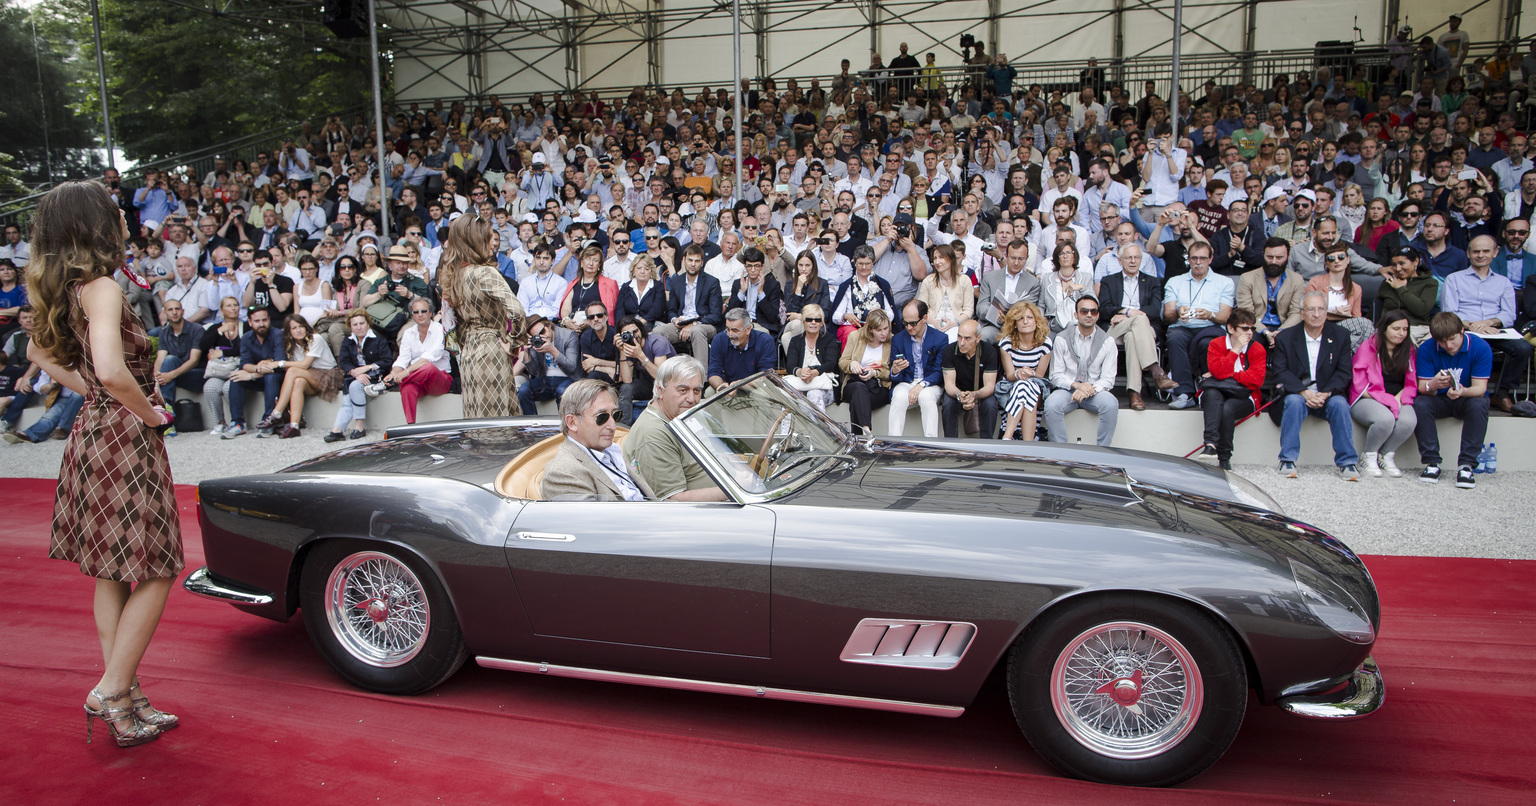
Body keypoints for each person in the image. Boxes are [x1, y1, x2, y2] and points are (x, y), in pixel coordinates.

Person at [23, 181, 180, 747]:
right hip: (123, 434)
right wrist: (151, 413)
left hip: (94, 430)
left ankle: (127, 696)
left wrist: (100, 395)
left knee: (113, 568)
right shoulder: (104, 288)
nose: (124, 219)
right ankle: (111, 690)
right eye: (116, 214)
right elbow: (113, 370)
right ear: (96, 225)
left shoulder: (67, 289)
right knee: (158, 567)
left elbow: (39, 354)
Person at [439, 215, 526, 418]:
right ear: (475, 241)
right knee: (498, 420)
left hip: (468, 353)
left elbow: (454, 324)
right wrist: (514, 345)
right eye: (488, 238)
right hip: (490, 348)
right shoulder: (485, 272)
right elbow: (517, 312)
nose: (493, 244)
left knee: (476, 417)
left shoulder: (453, 275)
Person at [1271, 291, 1359, 480]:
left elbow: (1344, 372)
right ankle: (1287, 460)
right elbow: (1280, 371)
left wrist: (1325, 393)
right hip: (1299, 394)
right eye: (1311, 309)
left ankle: (1348, 463)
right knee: (1293, 402)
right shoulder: (1285, 337)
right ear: (1301, 313)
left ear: (1327, 313)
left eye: (1321, 309)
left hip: (1327, 394)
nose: (1316, 314)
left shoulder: (1341, 335)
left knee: (1340, 404)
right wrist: (1304, 392)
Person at [1441, 234, 1529, 412]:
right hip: (1464, 331)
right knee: (1481, 348)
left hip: (1493, 330)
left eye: (1486, 251)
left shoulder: (1503, 282)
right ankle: (1468, 392)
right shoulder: (1454, 279)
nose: (1480, 255)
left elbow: (1508, 314)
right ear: (1468, 253)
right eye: (1476, 251)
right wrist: (1469, 324)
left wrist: (1489, 322)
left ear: (1495, 253)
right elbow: (1449, 312)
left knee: (1524, 348)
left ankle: (1502, 393)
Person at [622, 355, 727, 501]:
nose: (691, 399)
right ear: (660, 390)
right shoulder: (652, 433)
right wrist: (732, 490)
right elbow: (673, 500)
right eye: (683, 390)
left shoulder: (685, 414)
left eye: (697, 391)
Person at [1413, 312, 1492, 489]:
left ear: (1462, 330)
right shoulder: (1427, 348)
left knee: (1480, 403)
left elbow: (1480, 388)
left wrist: (1462, 391)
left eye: (1452, 339)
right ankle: (1432, 463)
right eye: (1442, 341)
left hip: (1467, 398)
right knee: (1420, 403)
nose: (1448, 345)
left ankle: (1467, 465)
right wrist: (1432, 384)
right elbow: (1422, 388)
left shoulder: (1480, 347)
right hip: (1439, 399)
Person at [541, 378, 655, 501]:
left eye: (615, 415)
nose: (613, 426)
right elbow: (593, 520)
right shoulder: (562, 474)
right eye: (602, 417)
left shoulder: (614, 451)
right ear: (572, 422)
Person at [1095, 242, 1174, 409]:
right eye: (1128, 257)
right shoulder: (1108, 281)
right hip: (1115, 328)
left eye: (1136, 257)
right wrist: (1129, 312)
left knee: (1132, 336)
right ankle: (1156, 371)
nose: (1132, 261)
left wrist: (1126, 314)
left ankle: (1134, 393)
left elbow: (1154, 310)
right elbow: (1104, 308)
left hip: (1143, 329)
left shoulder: (1152, 281)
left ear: (1141, 260)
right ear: (1120, 260)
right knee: (1139, 320)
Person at [1162, 241, 1235, 408]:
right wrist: (1178, 311)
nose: (1198, 262)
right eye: (1194, 258)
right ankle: (1185, 393)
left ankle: (1208, 391)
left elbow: (1226, 316)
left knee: (1207, 343)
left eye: (1203, 258)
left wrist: (1210, 315)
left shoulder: (1224, 282)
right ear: (1188, 259)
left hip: (1211, 326)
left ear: (1211, 259)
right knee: (1175, 337)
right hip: (1182, 326)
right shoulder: (1175, 281)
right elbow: (1167, 315)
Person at [1194, 308, 1267, 470]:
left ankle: (1224, 456)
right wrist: (1235, 351)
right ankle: (1210, 443)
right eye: (1245, 328)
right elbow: (1219, 372)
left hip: (1245, 396)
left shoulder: (1257, 348)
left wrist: (1230, 374)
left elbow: (1256, 380)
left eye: (1252, 329)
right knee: (1213, 393)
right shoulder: (1216, 344)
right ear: (1231, 328)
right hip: (1217, 393)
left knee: (1228, 408)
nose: (1250, 333)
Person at [1350, 310, 1418, 478]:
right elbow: (1361, 388)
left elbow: (1411, 382)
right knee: (1385, 419)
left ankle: (1386, 454)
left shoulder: (1408, 349)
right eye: (1396, 329)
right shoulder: (1368, 347)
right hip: (1368, 398)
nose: (1401, 333)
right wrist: (1387, 401)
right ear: (1384, 328)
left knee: (1409, 421)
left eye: (1405, 329)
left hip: (1398, 397)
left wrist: (1396, 399)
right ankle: (1369, 455)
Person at [1044, 295, 1119, 446]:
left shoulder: (1108, 341)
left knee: (1111, 404)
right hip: (1067, 391)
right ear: (1076, 315)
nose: (1089, 315)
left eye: (1093, 311)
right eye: (1084, 311)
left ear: (1098, 316)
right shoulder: (1062, 338)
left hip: (1094, 393)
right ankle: (1061, 452)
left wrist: (1087, 389)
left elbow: (1108, 378)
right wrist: (1077, 386)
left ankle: (1102, 452)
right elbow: (1056, 375)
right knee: (1051, 405)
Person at [255, 315, 343, 438]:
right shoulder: (292, 345)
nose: (299, 330)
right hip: (310, 378)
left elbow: (305, 364)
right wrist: (267, 363)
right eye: (294, 328)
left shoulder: (315, 338)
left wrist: (279, 363)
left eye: (301, 326)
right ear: (289, 332)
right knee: (298, 381)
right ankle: (294, 426)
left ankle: (275, 414)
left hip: (329, 376)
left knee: (292, 371)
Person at [381, 298, 452, 424]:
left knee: (428, 367)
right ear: (412, 315)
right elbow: (402, 359)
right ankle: (410, 424)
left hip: (439, 380)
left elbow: (428, 358)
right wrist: (393, 374)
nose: (420, 314)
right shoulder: (408, 333)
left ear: (430, 313)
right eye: (416, 312)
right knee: (407, 387)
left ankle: (395, 383)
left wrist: (405, 373)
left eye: (424, 311)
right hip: (418, 380)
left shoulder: (440, 330)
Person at [326, 309, 393, 442]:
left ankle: (359, 425)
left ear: (368, 323)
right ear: (350, 326)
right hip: (354, 377)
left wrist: (366, 368)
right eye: (355, 324)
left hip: (375, 376)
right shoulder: (348, 341)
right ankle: (338, 429)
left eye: (361, 323)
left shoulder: (378, 339)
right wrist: (355, 373)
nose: (359, 327)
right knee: (348, 397)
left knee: (355, 387)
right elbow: (344, 362)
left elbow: (387, 361)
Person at [652, 244, 723, 366]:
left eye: (697, 261)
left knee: (697, 331)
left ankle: (702, 379)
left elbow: (716, 315)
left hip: (705, 324)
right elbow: (672, 310)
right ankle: (668, 372)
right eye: (690, 260)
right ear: (684, 260)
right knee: (658, 331)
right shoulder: (677, 281)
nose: (693, 264)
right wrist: (675, 320)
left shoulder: (712, 282)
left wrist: (693, 324)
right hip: (681, 324)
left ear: (702, 263)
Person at [887, 299, 948, 437]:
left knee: (926, 397)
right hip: (907, 381)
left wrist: (921, 385)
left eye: (913, 323)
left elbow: (939, 371)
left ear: (925, 318)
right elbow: (895, 374)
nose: (908, 327)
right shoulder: (898, 339)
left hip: (931, 383)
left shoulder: (940, 338)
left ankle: (931, 444)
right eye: (905, 323)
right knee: (899, 395)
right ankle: (893, 443)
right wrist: (895, 371)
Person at [221, 307, 286, 438]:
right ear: (250, 323)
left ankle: (268, 421)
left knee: (271, 377)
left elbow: (278, 363)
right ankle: (238, 423)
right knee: (237, 377)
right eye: (257, 321)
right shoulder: (246, 338)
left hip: (278, 378)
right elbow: (245, 364)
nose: (261, 324)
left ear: (269, 320)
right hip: (260, 377)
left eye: (264, 320)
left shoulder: (277, 334)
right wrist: (257, 368)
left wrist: (252, 374)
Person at [997, 300, 1053, 441]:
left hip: (1036, 385)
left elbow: (1040, 375)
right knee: (1023, 387)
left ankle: (1007, 437)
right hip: (1011, 386)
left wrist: (1030, 374)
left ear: (1036, 321)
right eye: (1021, 318)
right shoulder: (1006, 343)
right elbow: (1009, 375)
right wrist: (1019, 374)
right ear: (1014, 323)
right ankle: (1028, 443)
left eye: (1029, 318)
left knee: (1027, 386)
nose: (1025, 322)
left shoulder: (1045, 343)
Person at [1305, 242, 1376, 350]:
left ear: (1348, 260)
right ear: (1326, 263)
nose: (1336, 261)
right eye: (1331, 258)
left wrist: (1348, 316)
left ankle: (1339, 352)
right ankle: (1343, 354)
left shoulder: (1356, 288)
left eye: (1341, 257)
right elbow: (1308, 312)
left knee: (1365, 326)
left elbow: (1357, 318)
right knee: (1363, 326)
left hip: (1344, 327)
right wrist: (1335, 313)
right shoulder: (1316, 282)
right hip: (1321, 324)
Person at [839, 308, 893, 434]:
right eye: (879, 330)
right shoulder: (856, 336)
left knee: (856, 401)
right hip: (855, 383)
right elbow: (842, 362)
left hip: (878, 387)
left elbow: (892, 372)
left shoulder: (891, 341)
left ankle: (859, 436)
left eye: (886, 328)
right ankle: (866, 429)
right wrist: (852, 364)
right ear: (870, 329)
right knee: (859, 389)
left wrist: (875, 373)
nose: (884, 333)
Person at [149, 298, 204, 420]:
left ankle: (165, 410)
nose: (174, 312)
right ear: (165, 313)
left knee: (170, 360)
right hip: (175, 375)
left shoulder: (196, 329)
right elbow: (160, 357)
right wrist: (156, 376)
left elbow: (194, 360)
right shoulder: (164, 331)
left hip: (196, 374)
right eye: (170, 309)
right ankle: (166, 409)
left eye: (177, 309)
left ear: (183, 311)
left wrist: (170, 375)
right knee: (168, 361)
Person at [977, 239, 1042, 342]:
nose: (1016, 263)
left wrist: (1010, 318)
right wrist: (994, 313)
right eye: (1013, 258)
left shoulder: (1033, 282)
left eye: (1021, 259)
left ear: (1027, 258)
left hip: (1019, 328)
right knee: (984, 335)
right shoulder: (990, 277)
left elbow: (1030, 309)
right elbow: (981, 307)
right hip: (994, 325)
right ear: (1006, 255)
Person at [614, 315, 675, 423]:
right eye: (627, 334)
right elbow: (627, 380)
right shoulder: (628, 347)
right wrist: (622, 351)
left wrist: (640, 355)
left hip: (670, 384)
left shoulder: (657, 342)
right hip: (649, 384)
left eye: (635, 331)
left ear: (641, 329)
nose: (633, 336)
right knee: (626, 388)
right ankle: (623, 428)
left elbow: (661, 377)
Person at [515, 314, 579, 414]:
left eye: (543, 332)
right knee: (523, 391)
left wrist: (552, 350)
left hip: (567, 377)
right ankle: (533, 427)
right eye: (537, 335)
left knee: (562, 391)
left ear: (549, 326)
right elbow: (533, 371)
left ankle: (564, 426)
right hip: (545, 379)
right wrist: (527, 353)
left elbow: (571, 367)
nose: (542, 336)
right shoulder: (536, 341)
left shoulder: (568, 335)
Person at [783, 303, 840, 411]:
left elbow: (831, 363)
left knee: (814, 394)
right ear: (804, 322)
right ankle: (787, 428)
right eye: (809, 319)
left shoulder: (829, 339)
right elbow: (790, 365)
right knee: (789, 396)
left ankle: (819, 428)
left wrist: (815, 373)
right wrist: (800, 372)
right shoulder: (796, 341)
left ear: (822, 322)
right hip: (801, 383)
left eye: (817, 320)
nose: (813, 322)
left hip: (823, 386)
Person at [707, 307, 777, 389]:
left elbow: (765, 375)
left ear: (748, 329)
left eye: (735, 330)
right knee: (709, 392)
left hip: (755, 387)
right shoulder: (719, 340)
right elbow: (713, 371)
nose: (730, 334)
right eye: (727, 329)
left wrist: (740, 385)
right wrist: (721, 387)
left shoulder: (765, 341)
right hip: (728, 387)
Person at [780, 250, 833, 351]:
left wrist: (802, 317)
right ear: (796, 266)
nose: (803, 269)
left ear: (813, 266)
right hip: (794, 324)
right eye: (800, 265)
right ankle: (805, 360)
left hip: (815, 323)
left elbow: (825, 313)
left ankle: (798, 365)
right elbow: (790, 312)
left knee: (786, 338)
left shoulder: (822, 284)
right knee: (796, 324)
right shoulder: (789, 285)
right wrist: (798, 289)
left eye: (807, 265)